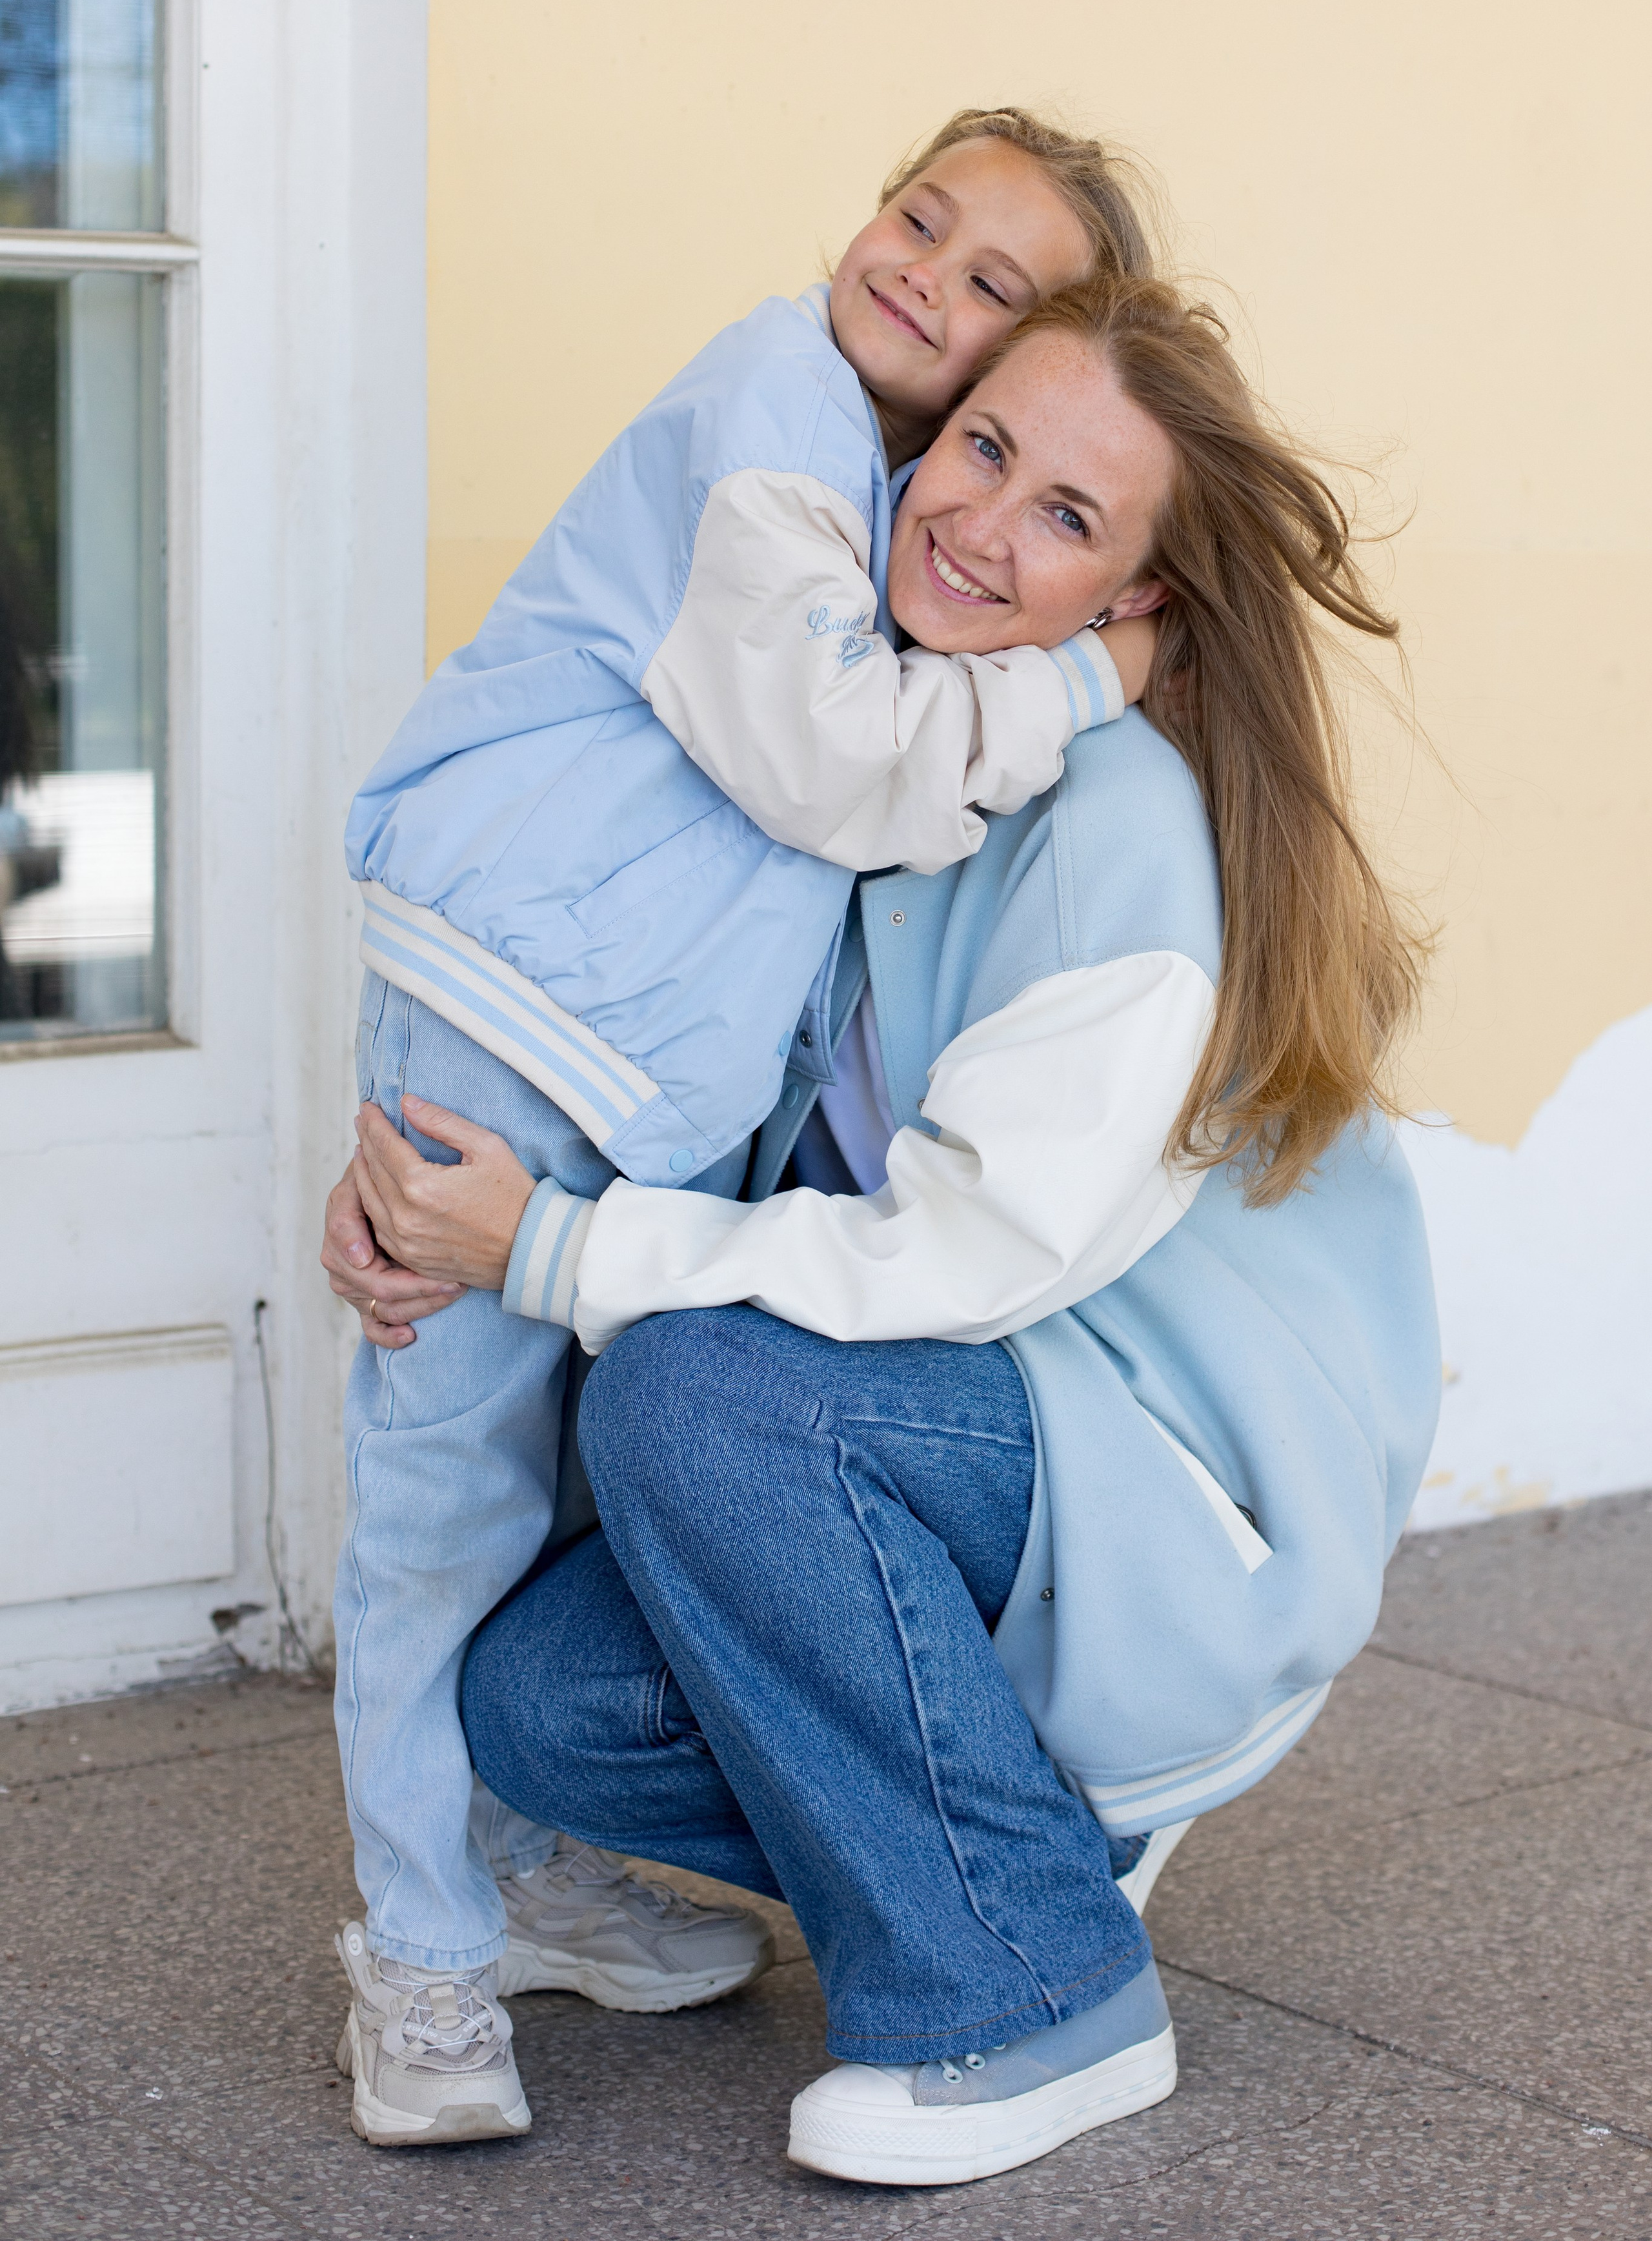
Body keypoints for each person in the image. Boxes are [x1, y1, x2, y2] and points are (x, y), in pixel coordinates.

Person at [325, 272, 1440, 2186]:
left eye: (1068, 517)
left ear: (1137, 605)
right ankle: (1020, 1836)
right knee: (545, 1704)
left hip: (1158, 1507)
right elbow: (630, 1047)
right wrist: (417, 1204)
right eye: (981, 449)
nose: (983, 525)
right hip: (959, 1449)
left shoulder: (1114, 828)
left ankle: (1031, 1990)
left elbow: (960, 1254)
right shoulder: (875, 761)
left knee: (694, 1393)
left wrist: (553, 1254)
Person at [330, 108, 1166, 2146]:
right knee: (440, 1513)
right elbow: (828, 763)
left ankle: (526, 1868)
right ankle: (421, 1957)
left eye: (990, 285)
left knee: (565, 1498)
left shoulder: (886, 508)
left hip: (619, 1060)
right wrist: (1090, 683)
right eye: (919, 220)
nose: (924, 278)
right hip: (523, 1018)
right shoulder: (775, 411)